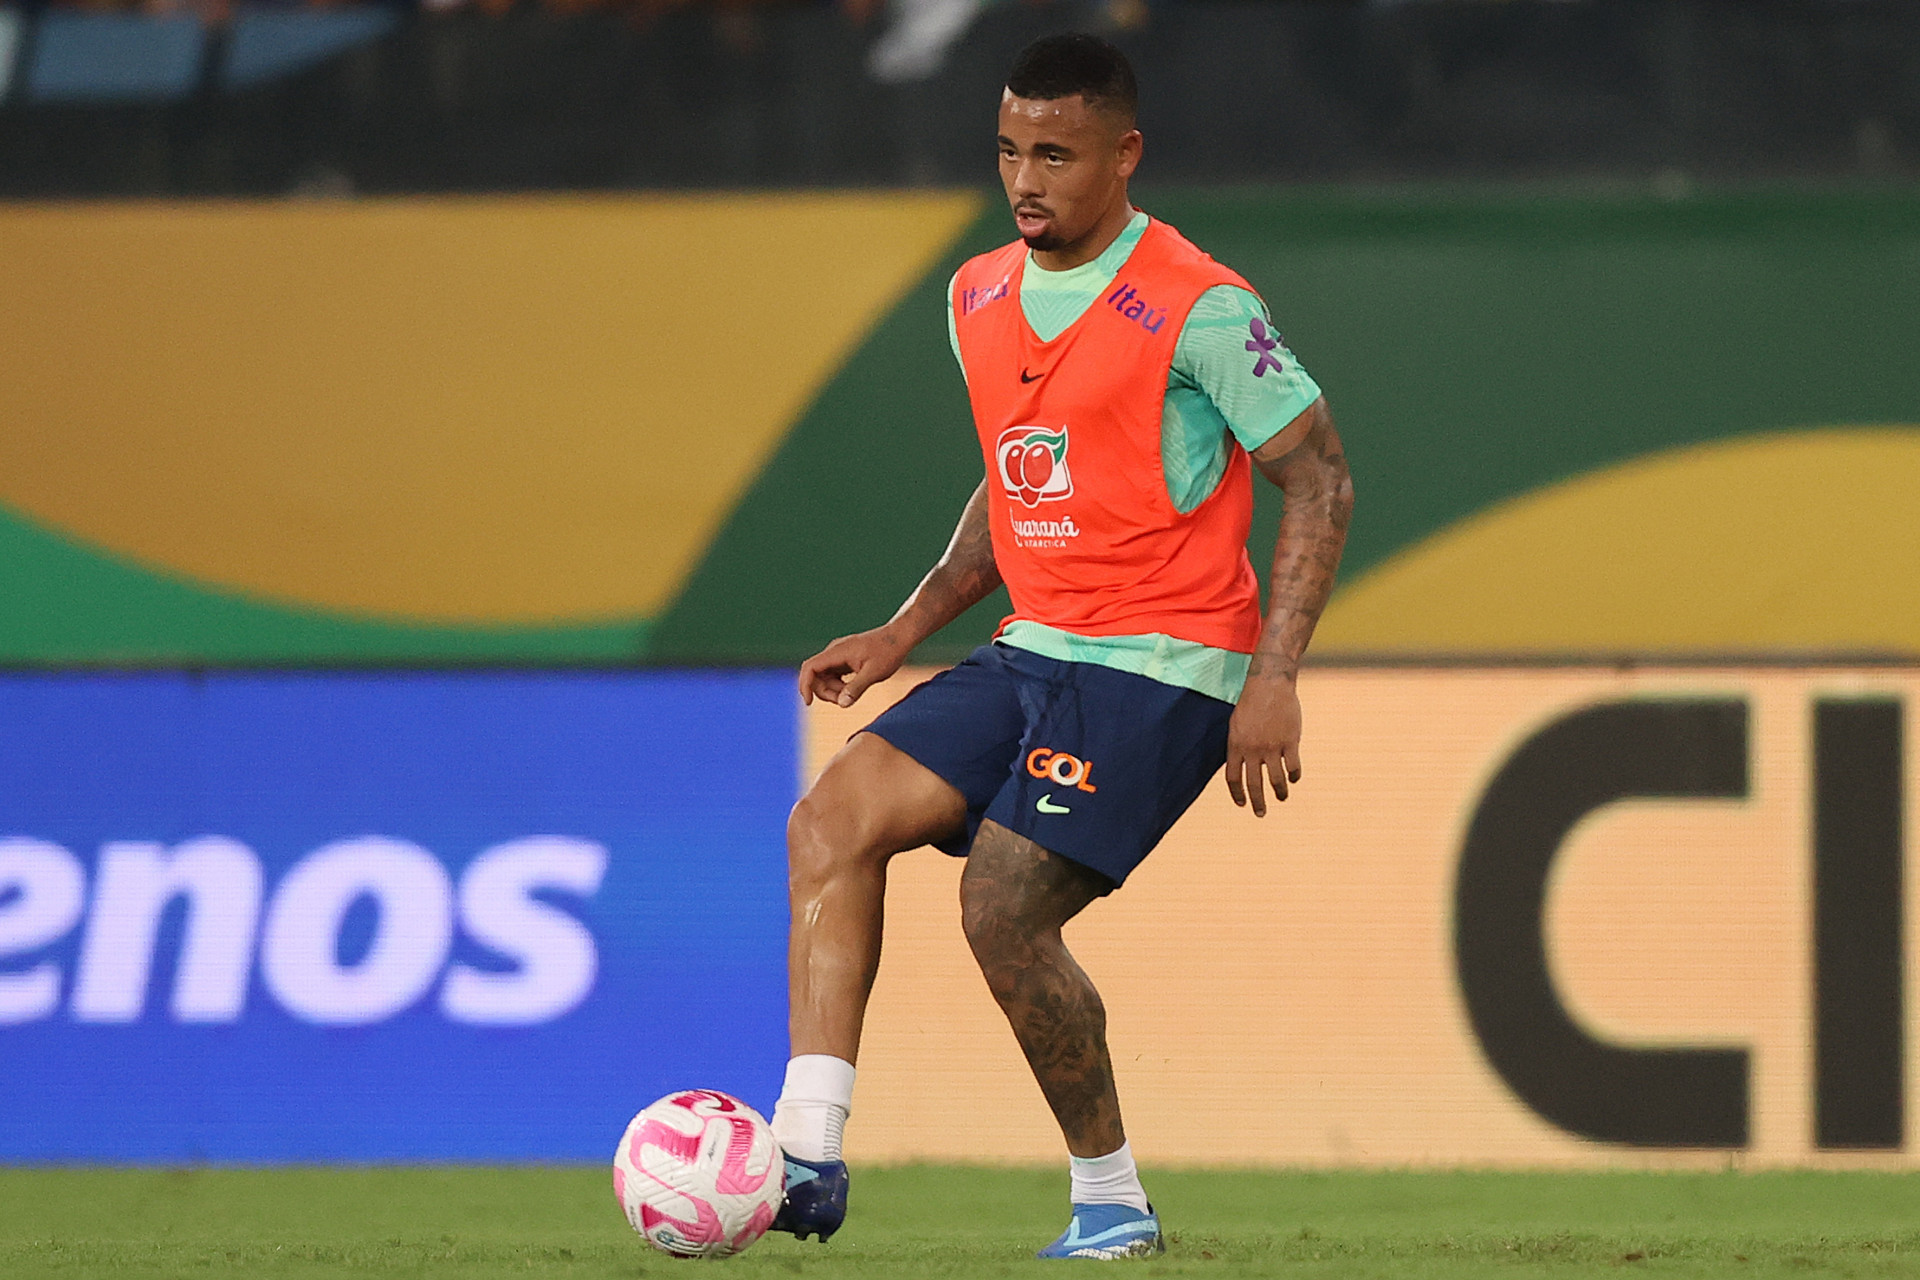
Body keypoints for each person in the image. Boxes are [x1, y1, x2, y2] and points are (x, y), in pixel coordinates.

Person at [767, 32, 1352, 1260]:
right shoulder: (977, 293)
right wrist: (906, 626)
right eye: (1007, 151)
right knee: (829, 820)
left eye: (1055, 155)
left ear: (1123, 154)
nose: (1025, 181)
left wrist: (1274, 677)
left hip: (1164, 663)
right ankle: (806, 1154)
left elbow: (1321, 481)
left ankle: (1112, 1200)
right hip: (1033, 646)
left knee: (1001, 907)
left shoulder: (1201, 305)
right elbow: (1018, 478)